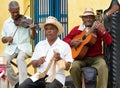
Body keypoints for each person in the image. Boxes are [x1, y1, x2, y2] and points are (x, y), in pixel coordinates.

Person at [63, 7, 112, 88]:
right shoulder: (76, 29)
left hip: (96, 58)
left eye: (91, 17)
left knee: (103, 66)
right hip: (80, 58)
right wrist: (71, 42)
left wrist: (103, 31)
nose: (88, 19)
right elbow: (65, 40)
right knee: (74, 67)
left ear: (94, 19)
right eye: (86, 17)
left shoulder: (98, 29)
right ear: (83, 19)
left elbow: (109, 41)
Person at [18, 16, 73, 88]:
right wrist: (38, 62)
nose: (48, 31)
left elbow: (67, 67)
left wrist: (60, 59)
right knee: (23, 86)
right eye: (46, 29)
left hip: (56, 77)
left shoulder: (64, 45)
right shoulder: (40, 45)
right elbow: (34, 64)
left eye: (51, 29)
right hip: (40, 75)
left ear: (57, 31)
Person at [1, 1, 36, 88]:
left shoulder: (27, 19)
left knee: (20, 59)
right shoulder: (7, 23)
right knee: (2, 61)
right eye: (13, 12)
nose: (16, 14)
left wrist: (33, 30)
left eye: (17, 11)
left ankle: (23, 85)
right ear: (9, 11)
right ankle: (14, 82)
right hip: (11, 48)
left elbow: (33, 37)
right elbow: (2, 39)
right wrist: (7, 38)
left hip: (24, 47)